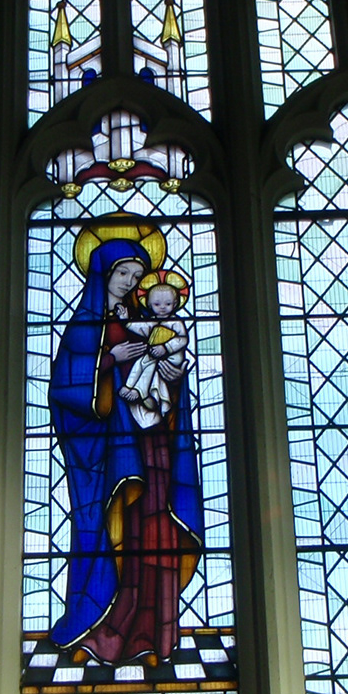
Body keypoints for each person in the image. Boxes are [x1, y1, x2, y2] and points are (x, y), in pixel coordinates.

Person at [46, 218, 203, 667]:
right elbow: (64, 392)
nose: (130, 284)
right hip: (104, 460)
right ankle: (99, 632)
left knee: (154, 532)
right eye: (122, 275)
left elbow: (169, 378)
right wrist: (108, 361)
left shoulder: (148, 322)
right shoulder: (81, 328)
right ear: (102, 275)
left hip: (149, 445)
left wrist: (173, 381)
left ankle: (155, 637)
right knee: (111, 536)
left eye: (136, 277)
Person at [118, 270, 190, 431]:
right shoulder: (152, 322)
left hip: (171, 359)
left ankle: (141, 393)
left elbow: (183, 339)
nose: (163, 308)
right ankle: (131, 387)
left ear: (176, 304)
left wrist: (165, 347)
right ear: (149, 305)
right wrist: (126, 322)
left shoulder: (175, 322)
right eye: (157, 304)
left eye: (168, 304)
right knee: (142, 363)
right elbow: (142, 328)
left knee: (149, 366)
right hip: (155, 357)